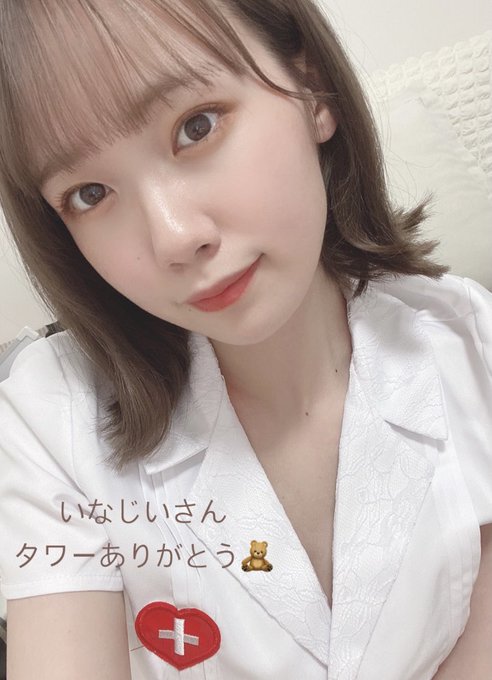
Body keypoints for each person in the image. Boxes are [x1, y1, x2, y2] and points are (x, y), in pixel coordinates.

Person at [0, 1, 490, 678]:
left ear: (312, 90)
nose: (174, 237)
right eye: (89, 193)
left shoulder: (470, 342)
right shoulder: (49, 415)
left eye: (196, 126)